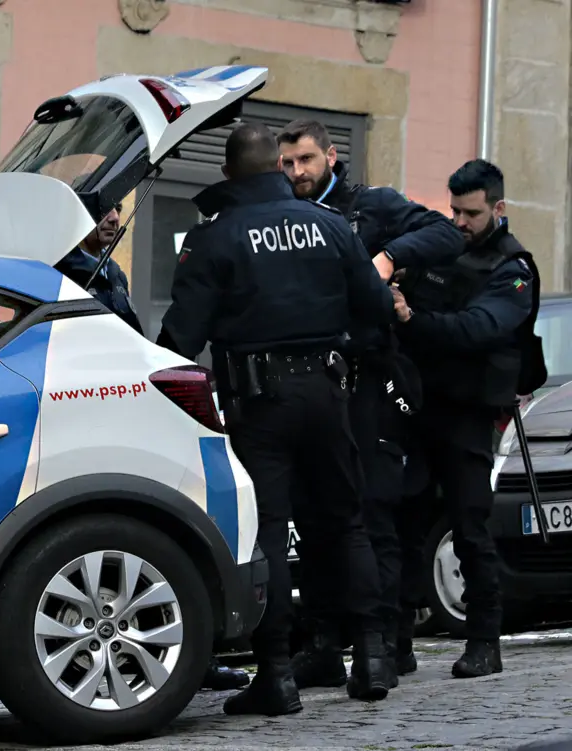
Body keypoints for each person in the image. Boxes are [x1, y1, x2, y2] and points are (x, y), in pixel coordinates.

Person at [157, 122, 396, 715]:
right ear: (278, 168)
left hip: (259, 402)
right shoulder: (330, 225)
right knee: (345, 524)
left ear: (229, 173)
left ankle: (276, 675)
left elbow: (180, 339)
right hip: (328, 391)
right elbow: (375, 306)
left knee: (266, 531)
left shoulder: (215, 237)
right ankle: (371, 657)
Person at [276, 120, 465, 688]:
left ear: (332, 156)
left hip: (368, 382)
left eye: (306, 160)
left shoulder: (371, 206)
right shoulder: (280, 216)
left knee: (373, 513)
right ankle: (323, 643)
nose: (297, 172)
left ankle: (382, 644)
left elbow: (445, 235)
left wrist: (385, 257)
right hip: (312, 384)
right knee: (314, 516)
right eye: (287, 163)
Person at [57, 201, 252, 692]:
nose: (111, 219)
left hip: (125, 415)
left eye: (116, 210)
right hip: (86, 421)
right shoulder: (63, 274)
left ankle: (184, 657)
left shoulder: (111, 272)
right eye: (99, 211)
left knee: (154, 545)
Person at [392, 159, 543, 678]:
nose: (459, 222)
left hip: (470, 414)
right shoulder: (440, 248)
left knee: (469, 527)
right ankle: (397, 641)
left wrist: (413, 318)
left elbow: (478, 329)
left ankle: (484, 640)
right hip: (420, 406)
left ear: (498, 208)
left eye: (471, 213)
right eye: (454, 210)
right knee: (406, 522)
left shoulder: (513, 268)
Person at [54, 204, 144, 335]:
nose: (115, 217)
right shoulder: (59, 273)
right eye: (104, 209)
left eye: (118, 209)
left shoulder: (117, 275)